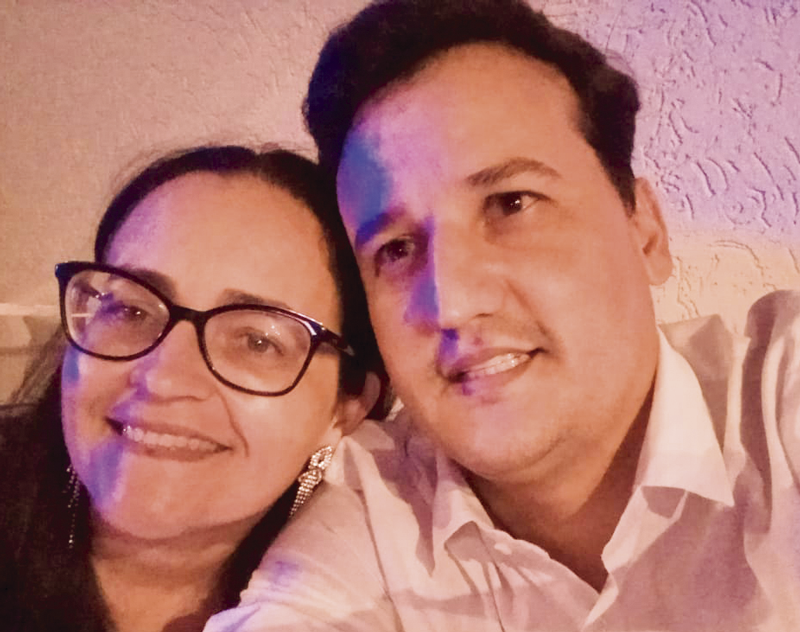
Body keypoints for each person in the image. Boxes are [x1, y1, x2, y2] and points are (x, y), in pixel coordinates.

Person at [204, 1, 800, 631]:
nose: (452, 302)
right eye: (396, 250)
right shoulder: (368, 513)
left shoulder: (778, 401)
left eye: (512, 203)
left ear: (645, 231)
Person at [0, 145, 387, 632]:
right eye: (131, 310)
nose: (163, 377)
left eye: (257, 342)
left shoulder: (375, 593)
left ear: (345, 408)